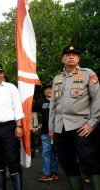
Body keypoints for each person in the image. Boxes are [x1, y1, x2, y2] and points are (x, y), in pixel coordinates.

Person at [49, 45, 100, 190]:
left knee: (89, 161)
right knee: (67, 162)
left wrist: (92, 123)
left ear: (78, 58)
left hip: (81, 126)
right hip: (60, 128)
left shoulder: (88, 74)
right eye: (68, 54)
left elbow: (97, 99)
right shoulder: (57, 78)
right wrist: (51, 127)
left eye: (74, 54)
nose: (71, 56)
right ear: (62, 59)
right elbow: (53, 104)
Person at [33, 83, 59, 182]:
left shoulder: (58, 101)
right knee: (46, 153)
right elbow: (32, 111)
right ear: (44, 92)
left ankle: (55, 173)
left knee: (56, 153)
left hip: (57, 132)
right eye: (46, 89)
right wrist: (35, 124)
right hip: (45, 132)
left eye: (50, 89)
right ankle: (47, 174)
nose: (48, 90)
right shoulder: (40, 102)